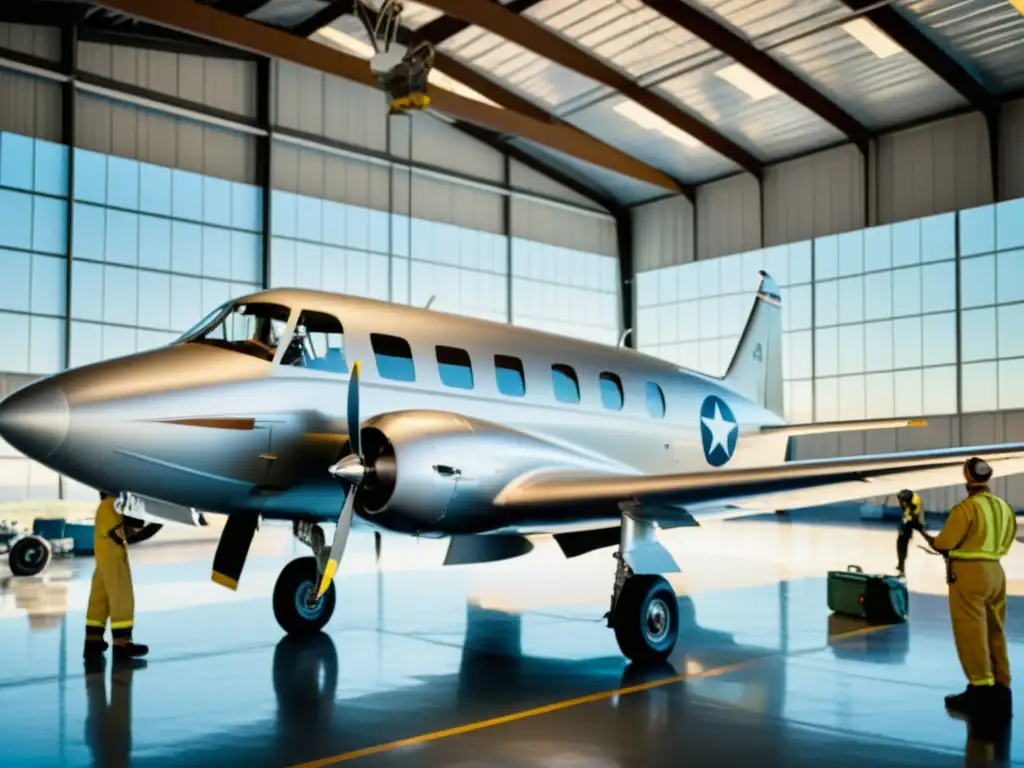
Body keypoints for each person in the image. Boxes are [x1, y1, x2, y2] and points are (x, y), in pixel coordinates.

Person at [920, 457, 1016, 722]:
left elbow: (945, 542)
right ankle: (1001, 689)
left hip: (969, 574)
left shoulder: (966, 508)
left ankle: (980, 692)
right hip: (997, 572)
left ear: (967, 478)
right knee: (995, 630)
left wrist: (932, 538)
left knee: (970, 632)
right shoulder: (1004, 507)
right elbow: (1008, 540)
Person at [84, 492, 149, 661]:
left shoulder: (107, 506)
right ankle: (122, 644)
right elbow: (127, 536)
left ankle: (92, 641)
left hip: (105, 555)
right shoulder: (110, 506)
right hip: (112, 556)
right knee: (122, 597)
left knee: (99, 600)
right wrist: (158, 523)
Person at [895, 489, 924, 577]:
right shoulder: (911, 498)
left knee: (902, 544)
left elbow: (909, 517)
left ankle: (901, 567)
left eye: (902, 501)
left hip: (911, 522)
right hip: (910, 518)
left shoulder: (913, 506)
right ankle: (901, 565)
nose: (900, 503)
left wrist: (903, 526)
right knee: (901, 544)